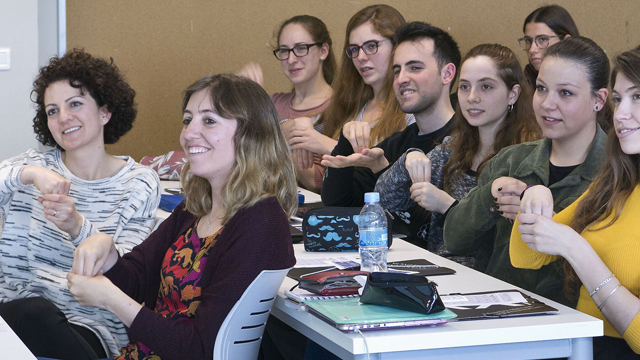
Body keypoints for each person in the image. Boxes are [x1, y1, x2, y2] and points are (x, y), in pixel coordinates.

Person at [66, 73, 297, 360]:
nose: (188, 134)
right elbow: (135, 279)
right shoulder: (195, 207)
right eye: (188, 120)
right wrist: (106, 249)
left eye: (209, 120)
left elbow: (201, 350)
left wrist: (111, 300)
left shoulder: (261, 222)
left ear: (251, 134)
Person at [0, 49, 161, 359]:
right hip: (15, 321)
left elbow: (127, 275)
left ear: (105, 111)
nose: (63, 118)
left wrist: (76, 225)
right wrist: (30, 174)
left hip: (93, 327)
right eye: (52, 110)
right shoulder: (31, 167)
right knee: (34, 311)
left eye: (75, 104)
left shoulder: (139, 182)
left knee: (41, 316)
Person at [443, 37, 610, 307]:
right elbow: (454, 239)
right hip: (497, 316)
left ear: (598, 100)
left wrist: (553, 226)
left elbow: (614, 268)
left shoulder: (616, 173)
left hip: (577, 328)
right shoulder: (512, 160)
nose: (547, 103)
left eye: (565, 93)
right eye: (542, 89)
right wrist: (492, 194)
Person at [510, 47, 640, 359]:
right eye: (619, 99)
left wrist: (577, 249)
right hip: (582, 347)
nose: (620, 113)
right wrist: (535, 196)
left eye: (637, 97)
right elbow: (526, 255)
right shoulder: (619, 182)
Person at [375, 43, 540, 265]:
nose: (472, 97)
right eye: (464, 87)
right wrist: (408, 160)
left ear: (513, 94)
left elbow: (501, 249)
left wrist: (448, 206)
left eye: (486, 87)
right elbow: (384, 201)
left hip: (489, 284)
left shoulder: (526, 160)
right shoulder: (452, 149)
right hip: (440, 273)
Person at [321, 21, 460, 222]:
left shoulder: (467, 143)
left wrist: (384, 170)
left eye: (415, 67)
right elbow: (338, 203)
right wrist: (345, 141)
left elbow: (432, 228)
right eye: (397, 70)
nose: (401, 78)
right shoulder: (396, 143)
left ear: (447, 74)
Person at [239, 15, 336, 192]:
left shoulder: (341, 107)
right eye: (284, 51)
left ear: (323, 51)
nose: (291, 59)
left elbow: (320, 181)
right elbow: (237, 155)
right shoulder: (272, 103)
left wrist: (277, 139)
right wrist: (239, 94)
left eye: (300, 48)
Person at [519, 4, 579, 90]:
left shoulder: (587, 82)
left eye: (542, 39)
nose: (532, 50)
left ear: (566, 42)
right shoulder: (520, 86)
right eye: (528, 40)